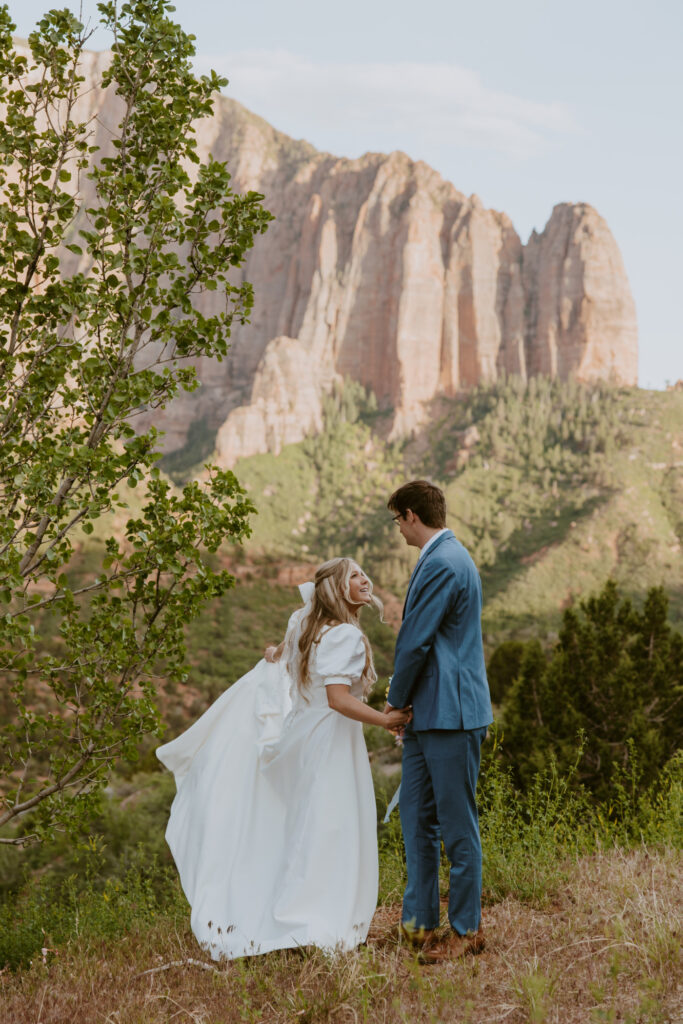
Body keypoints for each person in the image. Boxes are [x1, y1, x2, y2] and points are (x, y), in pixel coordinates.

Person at [157, 557, 411, 959]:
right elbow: (338, 699)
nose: (366, 580)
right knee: (332, 826)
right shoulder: (343, 635)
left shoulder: (305, 626)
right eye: (355, 576)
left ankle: (297, 910)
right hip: (331, 741)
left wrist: (273, 652)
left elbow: (277, 655)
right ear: (338, 589)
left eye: (365, 573)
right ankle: (316, 918)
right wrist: (384, 719)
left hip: (300, 738)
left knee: (306, 824)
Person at [384, 480, 493, 963]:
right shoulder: (446, 557)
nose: (398, 530)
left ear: (410, 515)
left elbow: (415, 643)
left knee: (456, 826)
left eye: (397, 520)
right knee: (416, 821)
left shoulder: (445, 562)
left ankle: (467, 930)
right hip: (429, 716)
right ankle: (419, 927)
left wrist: (393, 701)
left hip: (450, 714)